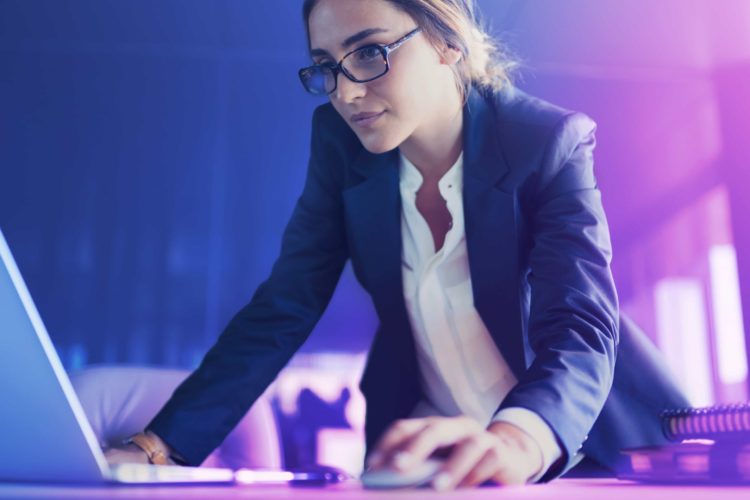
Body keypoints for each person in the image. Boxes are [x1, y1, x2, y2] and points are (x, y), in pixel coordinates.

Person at [105, 0, 689, 489]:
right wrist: (157, 447)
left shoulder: (546, 141)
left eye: (368, 53)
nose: (346, 93)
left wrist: (515, 439)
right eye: (326, 66)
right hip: (425, 460)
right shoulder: (340, 143)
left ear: (447, 41)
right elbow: (284, 305)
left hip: (583, 457)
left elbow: (580, 327)